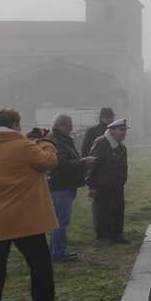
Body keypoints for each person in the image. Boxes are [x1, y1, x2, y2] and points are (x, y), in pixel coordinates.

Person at [0, 109, 69, 301]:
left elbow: (10, 159)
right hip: (22, 218)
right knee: (39, 263)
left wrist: (27, 141)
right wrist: (45, 142)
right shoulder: (24, 147)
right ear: (15, 124)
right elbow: (49, 162)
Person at [46, 113, 93, 263]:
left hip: (66, 185)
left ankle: (57, 250)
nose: (71, 127)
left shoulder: (64, 140)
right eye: (68, 124)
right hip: (61, 186)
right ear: (60, 125)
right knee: (61, 221)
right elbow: (62, 164)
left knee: (59, 220)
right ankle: (58, 253)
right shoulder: (58, 142)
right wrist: (83, 162)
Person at [87, 118, 131, 245]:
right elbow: (92, 165)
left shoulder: (120, 145)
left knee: (118, 210)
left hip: (117, 184)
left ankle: (117, 234)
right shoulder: (102, 142)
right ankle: (102, 236)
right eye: (121, 130)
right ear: (111, 130)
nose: (124, 133)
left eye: (124, 130)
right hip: (103, 184)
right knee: (103, 211)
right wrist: (92, 186)